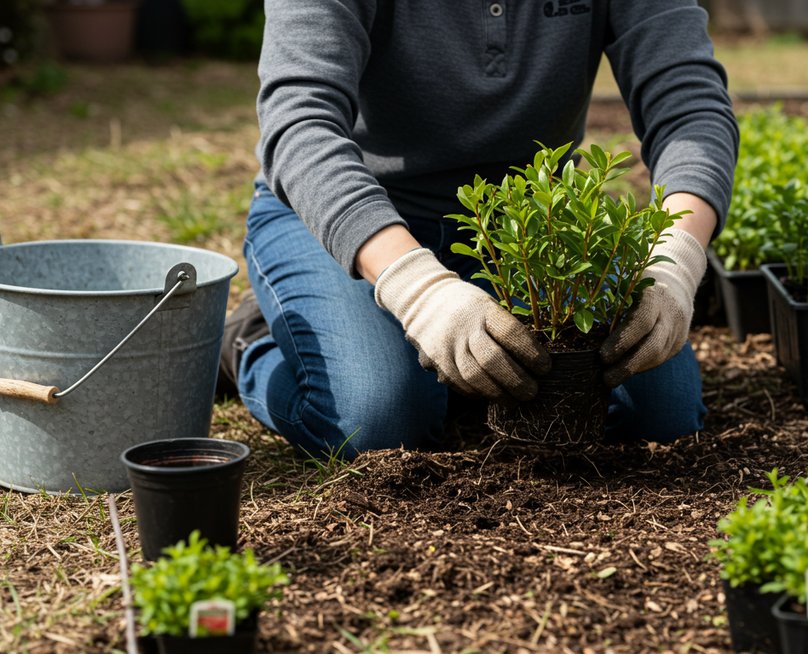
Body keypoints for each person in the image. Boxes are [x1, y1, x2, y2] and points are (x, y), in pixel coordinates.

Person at [219, 0, 739, 458]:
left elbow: (689, 108)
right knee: (381, 421)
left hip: (531, 226)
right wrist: (420, 290)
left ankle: (452, 366)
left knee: (660, 415)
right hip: (352, 218)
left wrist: (676, 260)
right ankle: (252, 343)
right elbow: (300, 123)